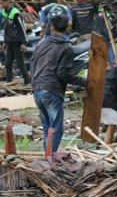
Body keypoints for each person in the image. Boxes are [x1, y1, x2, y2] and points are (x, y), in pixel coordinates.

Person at [30, 11, 86, 154]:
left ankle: (47, 157)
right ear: (67, 28)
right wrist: (85, 81)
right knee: (56, 128)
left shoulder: (41, 43)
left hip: (37, 88)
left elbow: (33, 64)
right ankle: (50, 159)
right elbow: (63, 73)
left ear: (52, 28)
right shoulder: (66, 47)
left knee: (47, 127)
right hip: (51, 89)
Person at [0, 0, 30, 84]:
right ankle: (9, 81)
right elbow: (5, 28)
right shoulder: (4, 12)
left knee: (20, 64)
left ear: (8, 1)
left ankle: (27, 82)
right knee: (8, 64)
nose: (1, 5)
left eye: (2, 3)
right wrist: (4, 41)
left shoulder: (15, 12)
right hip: (9, 42)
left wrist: (24, 42)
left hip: (18, 42)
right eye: (0, 3)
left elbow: (22, 27)